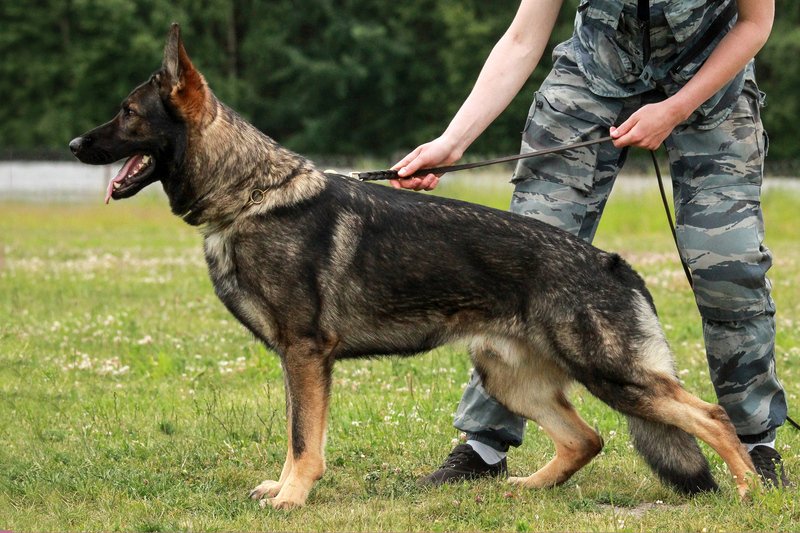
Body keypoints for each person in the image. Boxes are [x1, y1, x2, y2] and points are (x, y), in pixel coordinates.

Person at [391, 0, 789, 489]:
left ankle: (755, 440)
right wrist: (452, 142)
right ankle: (484, 443)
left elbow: (755, 23)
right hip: (592, 77)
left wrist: (674, 108)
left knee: (729, 266)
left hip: (712, 86)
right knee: (517, 268)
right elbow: (521, 39)